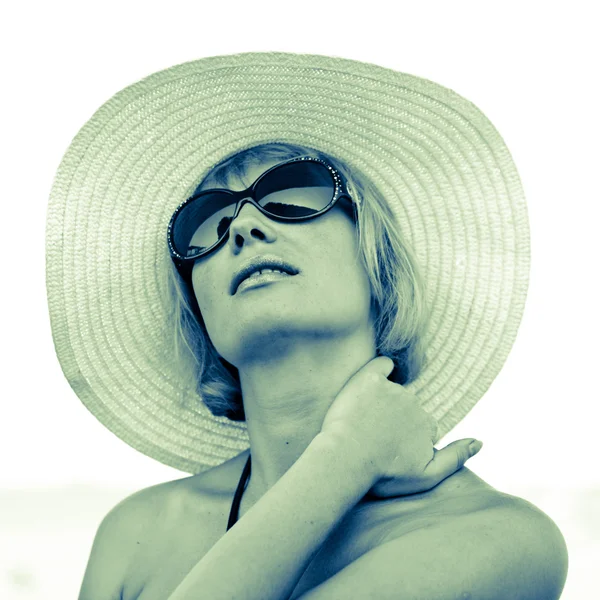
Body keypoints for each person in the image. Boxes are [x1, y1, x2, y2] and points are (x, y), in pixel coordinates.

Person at [46, 53, 568, 599]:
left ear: (378, 264)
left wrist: (347, 459)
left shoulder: (502, 541)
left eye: (294, 195)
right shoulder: (137, 532)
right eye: (206, 223)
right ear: (197, 308)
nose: (244, 225)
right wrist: (347, 456)